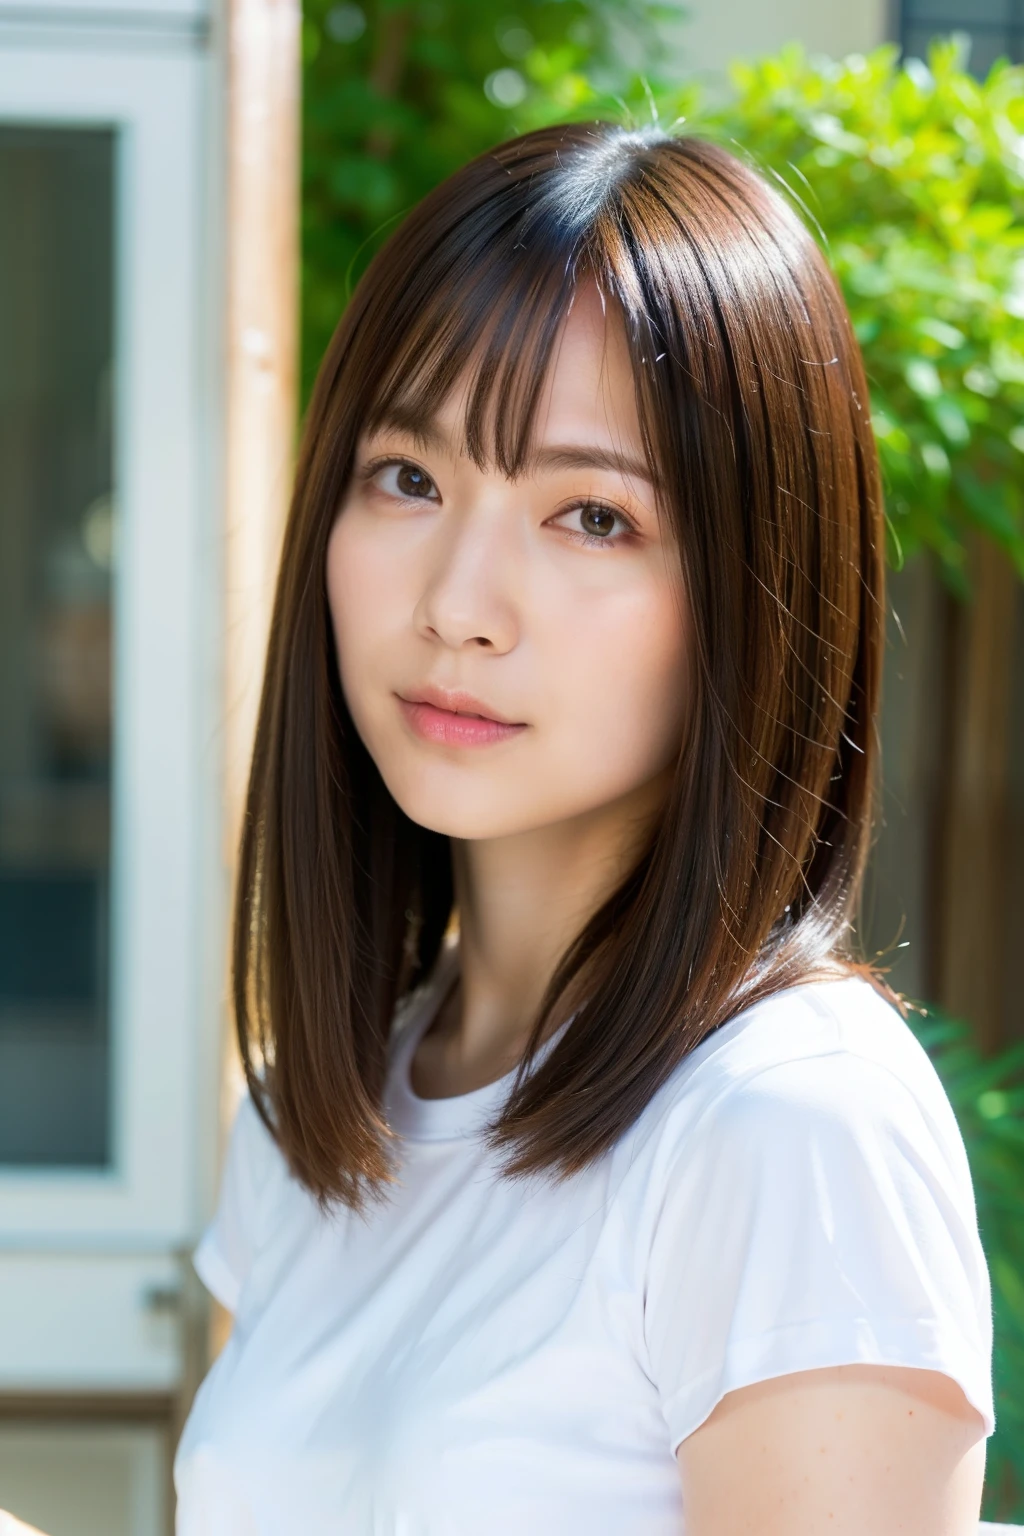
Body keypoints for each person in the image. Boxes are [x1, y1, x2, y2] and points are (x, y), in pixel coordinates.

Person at [174, 122, 994, 1534]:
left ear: (757, 588)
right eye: (410, 480)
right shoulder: (322, 1115)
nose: (460, 602)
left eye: (592, 517)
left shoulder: (786, 1123)